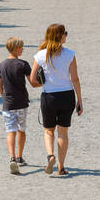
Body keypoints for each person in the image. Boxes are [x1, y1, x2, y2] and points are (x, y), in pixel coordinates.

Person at [29, 23, 82, 176]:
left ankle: (50, 155)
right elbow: (75, 79)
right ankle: (61, 166)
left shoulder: (40, 55)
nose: (66, 35)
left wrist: (45, 83)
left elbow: (32, 81)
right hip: (67, 96)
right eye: (65, 33)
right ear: (60, 36)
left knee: (48, 130)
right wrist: (80, 100)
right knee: (63, 132)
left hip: (49, 96)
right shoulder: (70, 54)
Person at [0, 37, 31, 175]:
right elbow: (33, 81)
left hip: (8, 104)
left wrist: (4, 97)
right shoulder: (23, 64)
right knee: (21, 130)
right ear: (16, 48)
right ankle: (19, 156)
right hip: (22, 103)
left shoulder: (2, 65)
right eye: (21, 47)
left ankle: (12, 158)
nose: (23, 49)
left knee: (10, 130)